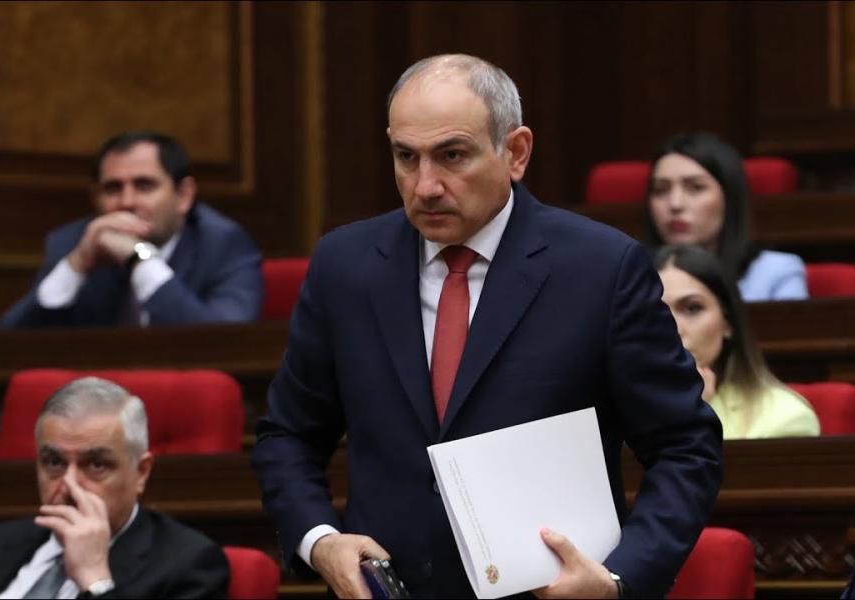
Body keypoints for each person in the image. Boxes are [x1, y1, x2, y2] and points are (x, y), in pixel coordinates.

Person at [252, 54, 722, 599]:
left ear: (515, 152)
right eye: (406, 157)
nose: (425, 185)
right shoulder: (345, 266)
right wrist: (320, 540)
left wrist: (618, 579)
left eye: (452, 155)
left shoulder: (600, 269)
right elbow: (288, 435)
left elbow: (685, 447)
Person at [0, 377, 229, 599]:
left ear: (141, 472)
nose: (69, 484)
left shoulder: (188, 566)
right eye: (54, 462)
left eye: (96, 465)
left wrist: (95, 581)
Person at [0, 131, 263, 329]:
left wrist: (140, 258)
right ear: (95, 198)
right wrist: (76, 265)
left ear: (183, 195)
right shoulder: (73, 242)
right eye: (112, 188)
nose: (126, 202)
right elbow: (10, 342)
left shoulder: (223, 244)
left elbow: (222, 341)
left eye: (144, 186)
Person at [655, 244, 820, 439]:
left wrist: (693, 414)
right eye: (655, 312)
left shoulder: (786, 417)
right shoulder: (622, 411)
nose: (674, 329)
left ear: (727, 322)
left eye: (693, 308)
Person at [644, 131, 808, 302]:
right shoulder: (630, 275)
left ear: (729, 198)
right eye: (660, 190)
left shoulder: (775, 272)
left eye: (696, 188)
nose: (675, 204)